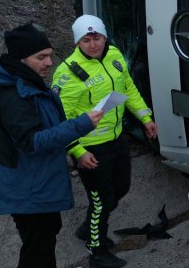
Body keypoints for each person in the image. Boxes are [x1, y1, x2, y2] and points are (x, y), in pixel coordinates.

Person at [0, 22, 103, 268]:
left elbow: (49, 125)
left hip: (34, 181)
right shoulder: (12, 94)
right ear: (21, 59)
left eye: (50, 56)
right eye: (41, 57)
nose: (49, 63)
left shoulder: (28, 83)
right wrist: (81, 124)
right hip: (23, 186)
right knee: (38, 248)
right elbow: (33, 141)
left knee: (44, 236)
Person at [52, 14, 157, 268]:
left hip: (116, 138)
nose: (93, 44)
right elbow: (58, 118)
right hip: (90, 148)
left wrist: (145, 118)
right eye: (86, 40)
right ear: (77, 42)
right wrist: (77, 151)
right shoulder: (66, 74)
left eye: (96, 37)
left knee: (120, 189)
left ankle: (88, 228)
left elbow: (126, 88)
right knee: (102, 201)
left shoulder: (114, 55)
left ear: (104, 37)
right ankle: (96, 253)